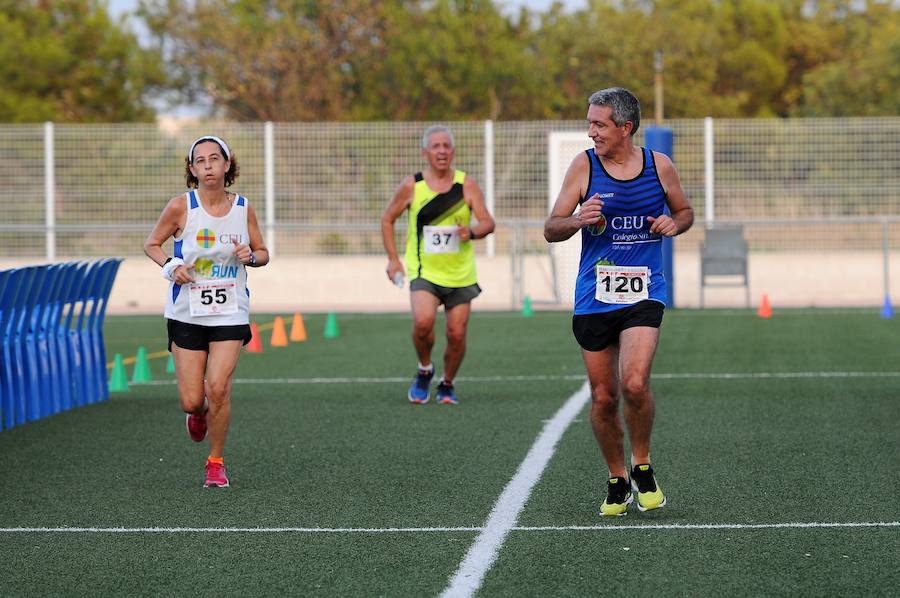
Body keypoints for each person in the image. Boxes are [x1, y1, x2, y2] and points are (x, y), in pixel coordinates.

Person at [544, 88, 694, 516]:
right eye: (590, 123)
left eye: (599, 124)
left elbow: (685, 212)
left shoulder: (658, 166)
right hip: (594, 295)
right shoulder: (583, 166)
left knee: (634, 383)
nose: (591, 132)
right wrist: (577, 220)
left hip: (645, 290)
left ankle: (642, 464)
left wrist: (674, 222)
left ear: (625, 127)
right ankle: (617, 477)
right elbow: (551, 228)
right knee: (604, 396)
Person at [144, 135, 269, 488]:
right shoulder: (181, 206)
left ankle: (215, 462)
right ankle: (196, 414)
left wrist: (252, 257)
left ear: (228, 165)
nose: (209, 165)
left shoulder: (244, 207)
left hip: (230, 311)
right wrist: (171, 265)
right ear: (192, 169)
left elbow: (263, 252)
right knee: (191, 400)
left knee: (218, 388)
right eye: (201, 160)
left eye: (216, 158)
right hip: (187, 311)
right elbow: (152, 244)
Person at [381, 125, 495, 405]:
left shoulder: (466, 184)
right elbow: (387, 219)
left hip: (460, 274)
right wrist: (393, 259)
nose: (442, 151)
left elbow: (488, 222)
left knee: (456, 334)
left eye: (446, 146)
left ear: (453, 151)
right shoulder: (412, 186)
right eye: (436, 146)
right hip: (424, 272)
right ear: (425, 153)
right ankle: (424, 369)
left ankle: (447, 383)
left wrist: (473, 231)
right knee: (423, 323)